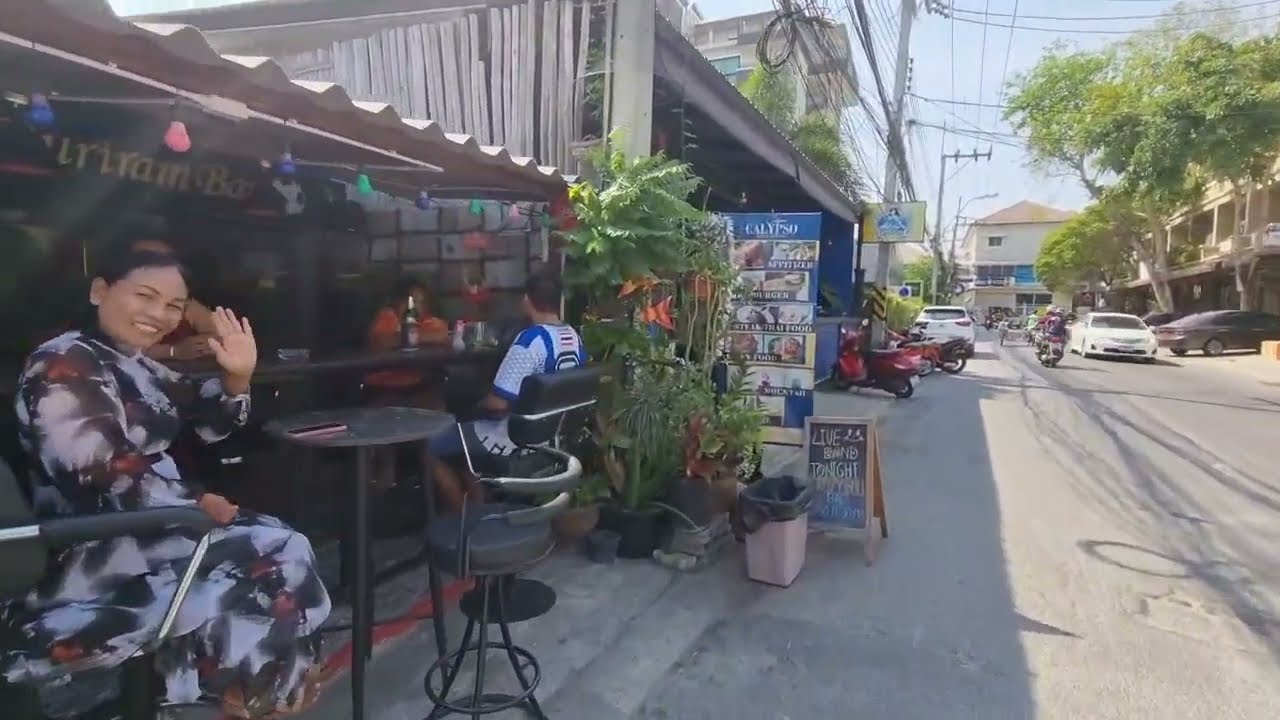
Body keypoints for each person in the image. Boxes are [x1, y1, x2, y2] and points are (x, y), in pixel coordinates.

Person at [0, 250, 331, 718]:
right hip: (86, 546)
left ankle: (254, 695)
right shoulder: (62, 362)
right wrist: (193, 504)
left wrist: (237, 378)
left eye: (174, 306)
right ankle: (264, 696)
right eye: (145, 296)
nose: (159, 314)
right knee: (275, 552)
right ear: (99, 291)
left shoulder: (132, 363)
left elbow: (209, 422)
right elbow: (99, 476)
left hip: (145, 530)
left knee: (276, 550)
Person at [424, 271, 585, 510]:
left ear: (527, 300)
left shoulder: (530, 342)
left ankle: (466, 519)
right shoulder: (574, 339)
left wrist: (471, 406)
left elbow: (498, 403)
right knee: (463, 445)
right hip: (550, 438)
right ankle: (481, 507)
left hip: (510, 440)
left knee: (432, 446)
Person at [131, 238, 220, 361]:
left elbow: (220, 335)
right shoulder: (119, 300)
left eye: (165, 261)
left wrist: (202, 344)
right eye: (146, 259)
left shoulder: (185, 304)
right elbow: (124, 349)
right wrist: (173, 351)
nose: (157, 267)